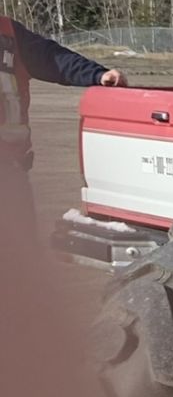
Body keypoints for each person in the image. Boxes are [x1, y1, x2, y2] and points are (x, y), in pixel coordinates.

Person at [1, 16, 126, 236]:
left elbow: (52, 59)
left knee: (20, 258)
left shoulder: (8, 33)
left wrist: (97, 74)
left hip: (10, 175)